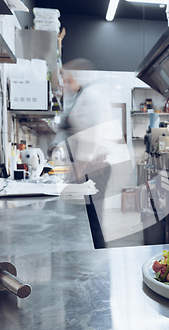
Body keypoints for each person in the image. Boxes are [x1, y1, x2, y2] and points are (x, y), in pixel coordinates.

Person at [54, 59, 125, 249]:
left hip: (94, 168)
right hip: (88, 167)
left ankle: (96, 264)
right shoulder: (82, 97)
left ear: (77, 77)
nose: (66, 85)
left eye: (68, 80)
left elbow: (91, 135)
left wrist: (79, 167)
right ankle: (87, 259)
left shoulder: (90, 96)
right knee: (87, 219)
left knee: (92, 220)